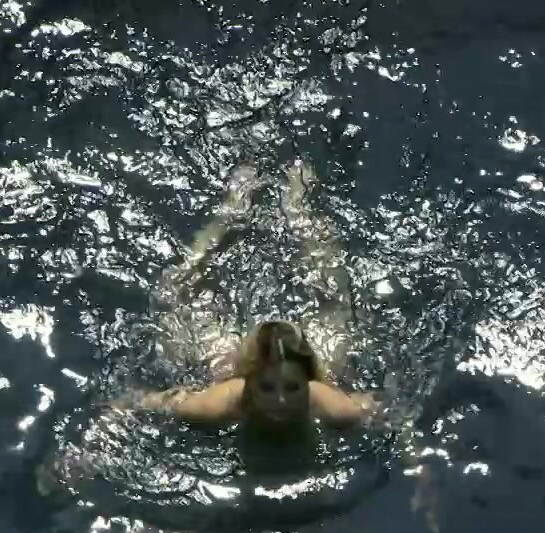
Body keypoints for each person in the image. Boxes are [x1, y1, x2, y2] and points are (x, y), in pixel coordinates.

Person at [118, 161, 378, 437]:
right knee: (175, 290)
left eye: (293, 388)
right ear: (248, 384)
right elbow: (131, 404)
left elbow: (390, 415)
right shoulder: (216, 404)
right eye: (267, 388)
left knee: (339, 298)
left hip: (315, 355)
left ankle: (297, 204)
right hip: (225, 361)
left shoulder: (334, 407)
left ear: (309, 385)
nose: (281, 401)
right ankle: (230, 209)